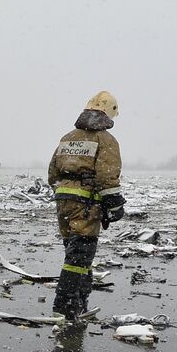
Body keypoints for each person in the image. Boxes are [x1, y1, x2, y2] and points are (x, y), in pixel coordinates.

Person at [47, 92, 125, 319]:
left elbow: (52, 173)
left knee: (74, 253)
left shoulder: (68, 137)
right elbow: (107, 176)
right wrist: (115, 206)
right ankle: (66, 306)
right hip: (87, 204)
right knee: (79, 256)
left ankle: (80, 302)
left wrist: (65, 194)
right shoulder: (106, 140)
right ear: (109, 113)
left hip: (63, 203)